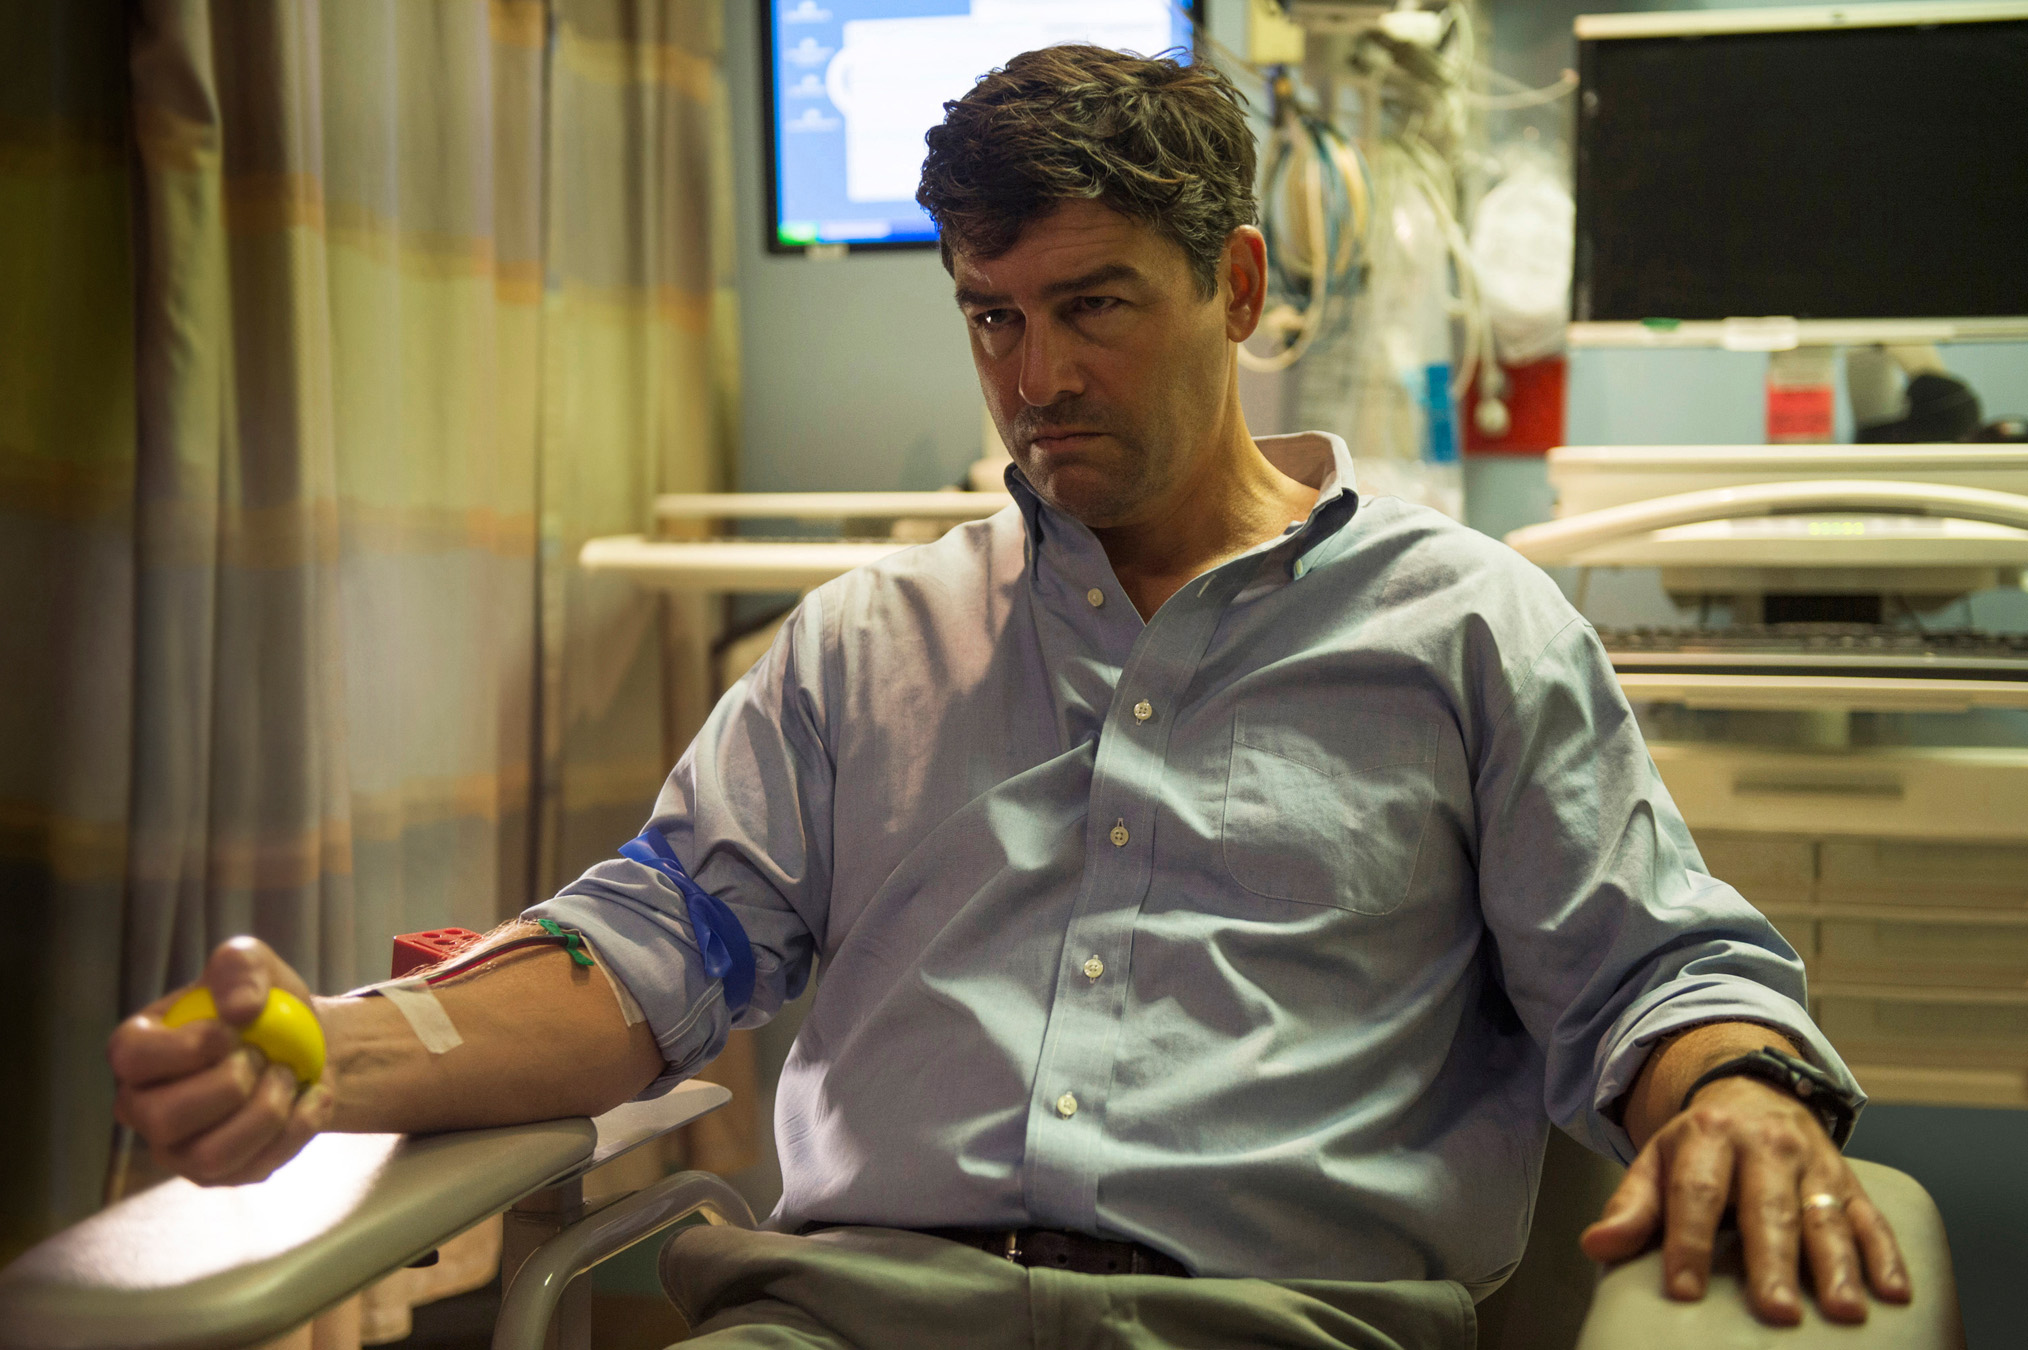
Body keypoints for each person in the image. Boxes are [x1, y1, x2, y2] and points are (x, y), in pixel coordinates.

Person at [109, 46, 1908, 1349]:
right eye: (990, 315)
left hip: (1271, 1323)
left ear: (1238, 286)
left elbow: (1655, 964)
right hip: (838, 1319)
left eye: (1092, 306)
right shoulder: (862, 648)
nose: (1034, 377)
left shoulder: (1469, 632)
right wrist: (321, 1056)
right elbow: (647, 955)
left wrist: (1742, 1093)